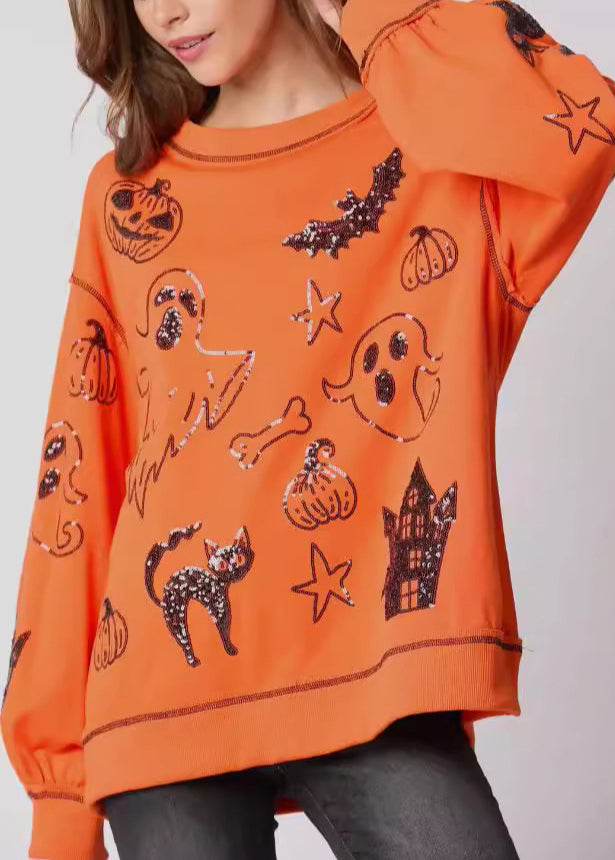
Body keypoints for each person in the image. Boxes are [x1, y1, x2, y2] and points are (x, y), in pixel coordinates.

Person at [2, 0, 614, 857]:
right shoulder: (130, 198)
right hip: (159, 696)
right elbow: (79, 483)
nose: (165, 11)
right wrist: (60, 805)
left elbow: (583, 128)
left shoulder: (445, 155)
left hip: (377, 679)